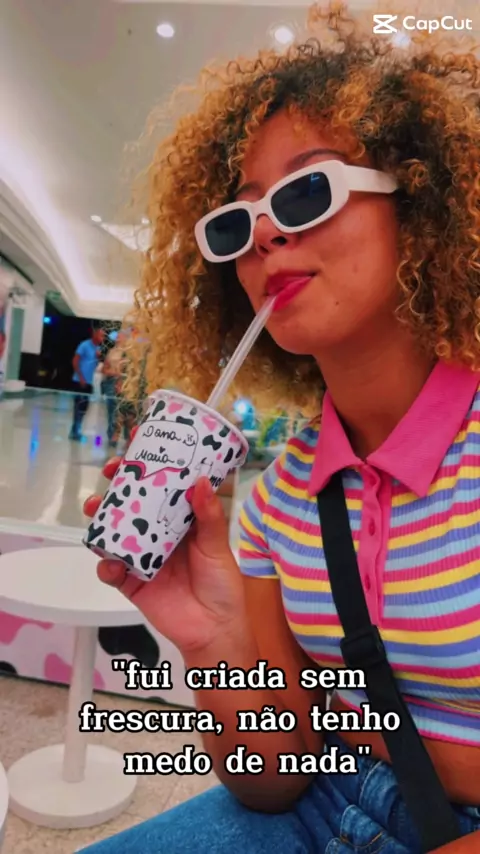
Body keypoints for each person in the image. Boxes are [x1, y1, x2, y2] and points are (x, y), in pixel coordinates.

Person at [81, 5, 480, 852]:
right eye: (235, 222)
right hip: (323, 803)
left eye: (306, 191)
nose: (264, 235)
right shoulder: (278, 500)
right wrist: (213, 642)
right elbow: (273, 776)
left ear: (420, 205)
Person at [69, 326, 104, 441]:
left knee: (84, 408)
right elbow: (75, 361)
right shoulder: (84, 345)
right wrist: (80, 377)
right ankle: (75, 431)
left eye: (103, 336)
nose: (102, 338)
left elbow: (95, 365)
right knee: (78, 407)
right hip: (79, 381)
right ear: (94, 334)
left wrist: (98, 358)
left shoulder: (98, 348)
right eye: (101, 335)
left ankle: (76, 430)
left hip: (89, 382)